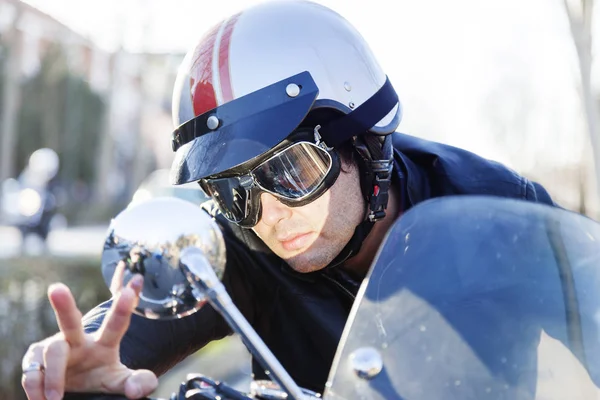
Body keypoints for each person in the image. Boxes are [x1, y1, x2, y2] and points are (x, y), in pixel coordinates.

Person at [21, 1, 556, 399]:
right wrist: (86, 357)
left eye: (289, 170)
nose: (269, 214)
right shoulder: (242, 241)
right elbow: (131, 330)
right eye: (231, 190)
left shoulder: (506, 210)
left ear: (362, 140)